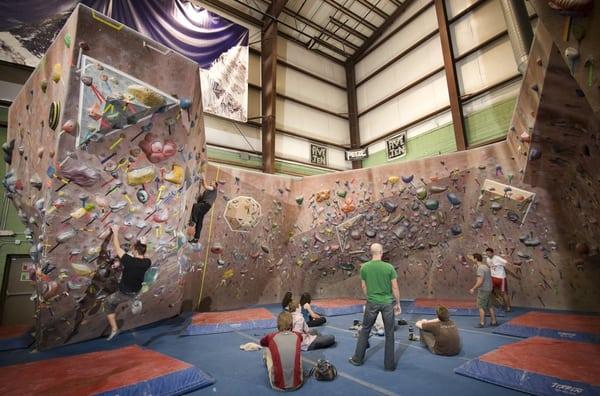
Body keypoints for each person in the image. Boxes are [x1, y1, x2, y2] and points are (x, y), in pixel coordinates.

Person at [349, 243, 400, 371]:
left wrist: (369, 298)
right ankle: (389, 366)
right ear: (381, 252)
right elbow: (395, 287)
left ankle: (357, 359)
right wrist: (398, 303)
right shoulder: (389, 267)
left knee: (365, 330)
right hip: (387, 304)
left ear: (371, 253)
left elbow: (364, 287)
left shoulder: (364, 268)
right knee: (389, 334)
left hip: (372, 302)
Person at [103, 224, 151, 340]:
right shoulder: (147, 262)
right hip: (135, 290)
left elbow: (117, 247)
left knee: (108, 303)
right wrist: (144, 244)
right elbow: (142, 254)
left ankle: (114, 329)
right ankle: (134, 301)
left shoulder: (128, 261)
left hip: (124, 293)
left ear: (134, 250)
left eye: (132, 249)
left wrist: (115, 231)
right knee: (129, 291)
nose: (131, 250)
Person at [260, 311, 303, 392]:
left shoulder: (271, 337)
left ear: (278, 325)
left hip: (277, 385)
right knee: (296, 352)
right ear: (291, 324)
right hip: (298, 384)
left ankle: (275, 372)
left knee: (267, 349)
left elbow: (262, 343)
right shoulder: (298, 335)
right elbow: (301, 339)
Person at [469, 253, 498, 328]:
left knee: (481, 307)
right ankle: (494, 321)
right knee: (490, 306)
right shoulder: (485, 266)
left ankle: (482, 323)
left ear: (476, 259)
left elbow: (480, 281)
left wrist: (473, 288)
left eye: (472, 258)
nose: (472, 260)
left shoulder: (480, 269)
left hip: (483, 290)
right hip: (489, 289)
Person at [189, 179, 217, 243]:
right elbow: (202, 197)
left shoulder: (214, 189)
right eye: (211, 182)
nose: (211, 182)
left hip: (206, 205)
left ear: (215, 185)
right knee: (200, 221)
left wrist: (203, 178)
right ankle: (196, 238)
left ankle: (193, 221)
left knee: (196, 206)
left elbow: (206, 186)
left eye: (212, 182)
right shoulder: (207, 191)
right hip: (205, 206)